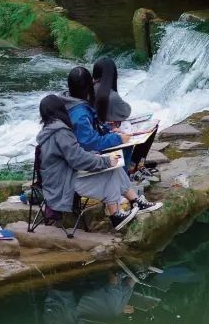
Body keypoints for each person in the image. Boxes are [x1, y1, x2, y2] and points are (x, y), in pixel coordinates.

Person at [36, 95, 160, 232]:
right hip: (64, 184)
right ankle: (115, 214)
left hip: (60, 178)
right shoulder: (61, 132)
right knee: (111, 167)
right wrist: (105, 161)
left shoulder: (49, 130)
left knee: (114, 163)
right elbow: (78, 160)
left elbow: (73, 156)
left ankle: (135, 200)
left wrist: (98, 158)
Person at [92, 56, 157, 177]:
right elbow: (126, 111)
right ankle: (134, 165)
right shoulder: (111, 95)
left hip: (96, 140)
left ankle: (133, 166)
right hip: (106, 143)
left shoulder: (89, 91)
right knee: (152, 127)